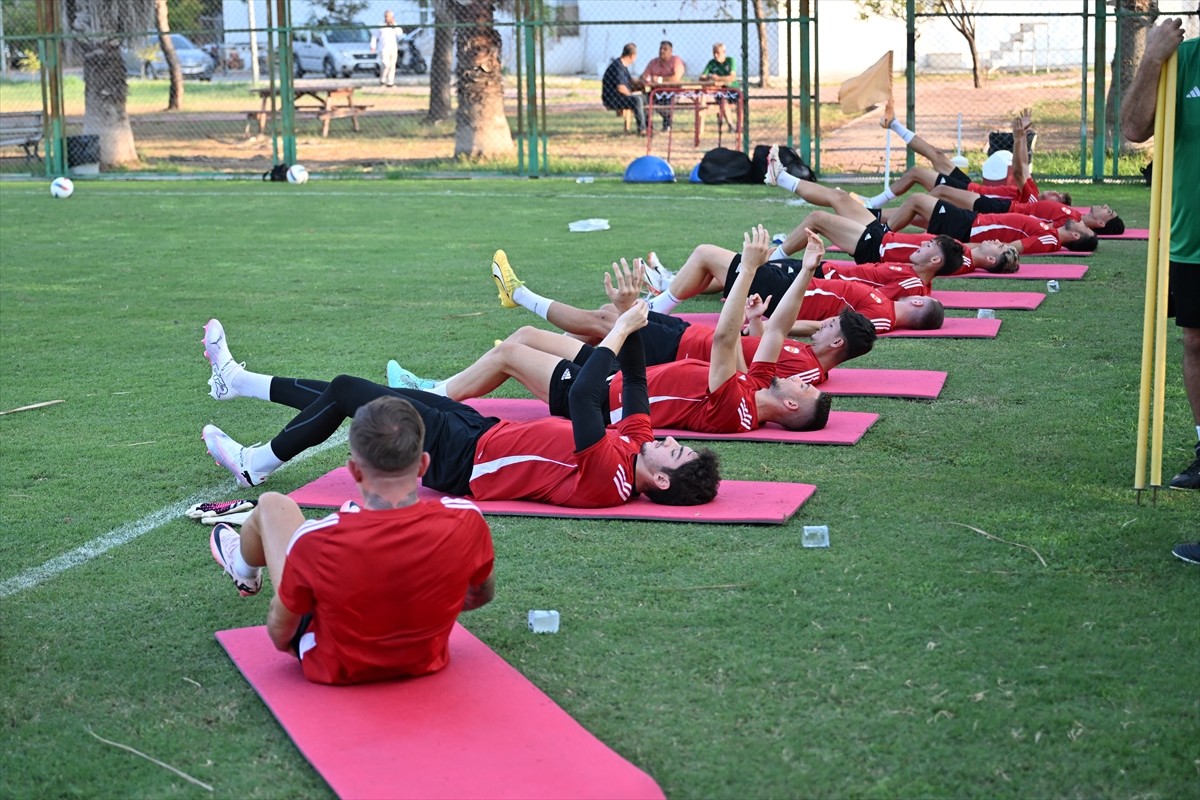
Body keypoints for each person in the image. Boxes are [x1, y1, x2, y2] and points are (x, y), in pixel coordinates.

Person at [201, 272, 720, 507]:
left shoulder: (612, 476)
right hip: (478, 433)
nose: (671, 442)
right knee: (353, 394)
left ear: (663, 482)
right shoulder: (635, 447)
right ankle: (239, 381)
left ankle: (257, 463)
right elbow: (631, 380)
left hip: (462, 460)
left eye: (676, 453)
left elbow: (587, 395)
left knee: (345, 390)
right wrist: (632, 313)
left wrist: (623, 329)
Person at [390, 229, 832, 434]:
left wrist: (750, 268)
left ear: (790, 403)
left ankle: (428, 394)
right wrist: (806, 270)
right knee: (523, 335)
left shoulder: (736, 410)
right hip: (618, 378)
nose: (798, 379)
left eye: (802, 389)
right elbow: (773, 329)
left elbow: (723, 338)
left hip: (599, 400)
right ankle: (441, 386)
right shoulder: (756, 387)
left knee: (508, 355)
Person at [206, 394, 496, 685]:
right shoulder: (467, 519)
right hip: (424, 658)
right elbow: (479, 596)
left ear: (354, 471)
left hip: (336, 666)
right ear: (422, 465)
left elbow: (281, 634)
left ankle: (242, 567)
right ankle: (243, 566)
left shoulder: (317, 539)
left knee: (273, 505)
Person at [394, 253, 876, 389]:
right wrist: (751, 323)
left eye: (834, 326)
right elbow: (759, 348)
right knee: (598, 321)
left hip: (673, 356)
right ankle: (516, 301)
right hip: (686, 340)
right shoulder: (808, 358)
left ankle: (517, 294)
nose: (827, 324)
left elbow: (752, 368)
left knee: (605, 318)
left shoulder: (810, 371)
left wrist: (803, 271)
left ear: (839, 346)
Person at [1121, 15, 1199, 490]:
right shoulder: (1184, 60)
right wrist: (1152, 57)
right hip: (1192, 237)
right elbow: (1134, 127)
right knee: (1196, 341)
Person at [860, 108, 1073, 209]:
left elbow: (1019, 171)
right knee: (937, 156)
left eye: (1059, 197)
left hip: (968, 197)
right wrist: (1023, 136)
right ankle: (894, 123)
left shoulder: (1033, 202)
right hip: (970, 188)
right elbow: (1023, 167)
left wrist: (1020, 138)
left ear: (1057, 206)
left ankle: (871, 206)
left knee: (918, 176)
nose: (1055, 192)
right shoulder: (1033, 193)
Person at [883, 192, 1098, 255]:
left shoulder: (1049, 240)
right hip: (973, 221)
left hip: (971, 226)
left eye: (1085, 228)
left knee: (917, 200)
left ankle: (880, 233)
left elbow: (1011, 248)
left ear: (1077, 236)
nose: (1081, 221)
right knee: (914, 213)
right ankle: (870, 215)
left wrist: (964, 250)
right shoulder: (1050, 231)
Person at [640, 40, 686, 131]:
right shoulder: (653, 62)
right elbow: (644, 76)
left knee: (668, 102)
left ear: (671, 51)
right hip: (655, 91)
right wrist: (647, 79)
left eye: (665, 49)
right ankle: (648, 126)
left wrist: (660, 80)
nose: (662, 51)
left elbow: (676, 78)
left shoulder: (676, 60)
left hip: (671, 92)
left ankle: (667, 125)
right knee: (643, 99)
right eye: (660, 49)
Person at [602, 43, 646, 135]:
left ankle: (649, 126)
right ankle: (642, 129)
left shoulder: (623, 66)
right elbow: (621, 88)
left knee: (645, 98)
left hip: (620, 97)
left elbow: (630, 82)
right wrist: (631, 95)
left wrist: (641, 84)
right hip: (612, 99)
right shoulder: (617, 67)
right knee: (637, 100)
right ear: (632, 56)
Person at [699, 42, 738, 132]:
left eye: (718, 53)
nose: (716, 55)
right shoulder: (711, 63)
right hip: (719, 89)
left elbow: (732, 77)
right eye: (714, 53)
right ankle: (731, 125)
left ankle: (740, 125)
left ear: (724, 52)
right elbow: (702, 77)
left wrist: (718, 78)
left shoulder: (730, 61)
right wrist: (709, 77)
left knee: (741, 101)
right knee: (722, 100)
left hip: (732, 88)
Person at [370, 10, 403, 87]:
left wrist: (393, 25)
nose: (388, 18)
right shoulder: (381, 25)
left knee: (392, 65)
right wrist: (373, 46)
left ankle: (390, 82)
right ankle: (383, 80)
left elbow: (400, 34)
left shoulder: (395, 25)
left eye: (390, 16)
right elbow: (375, 36)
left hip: (393, 48)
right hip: (383, 48)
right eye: (387, 16)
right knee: (386, 65)